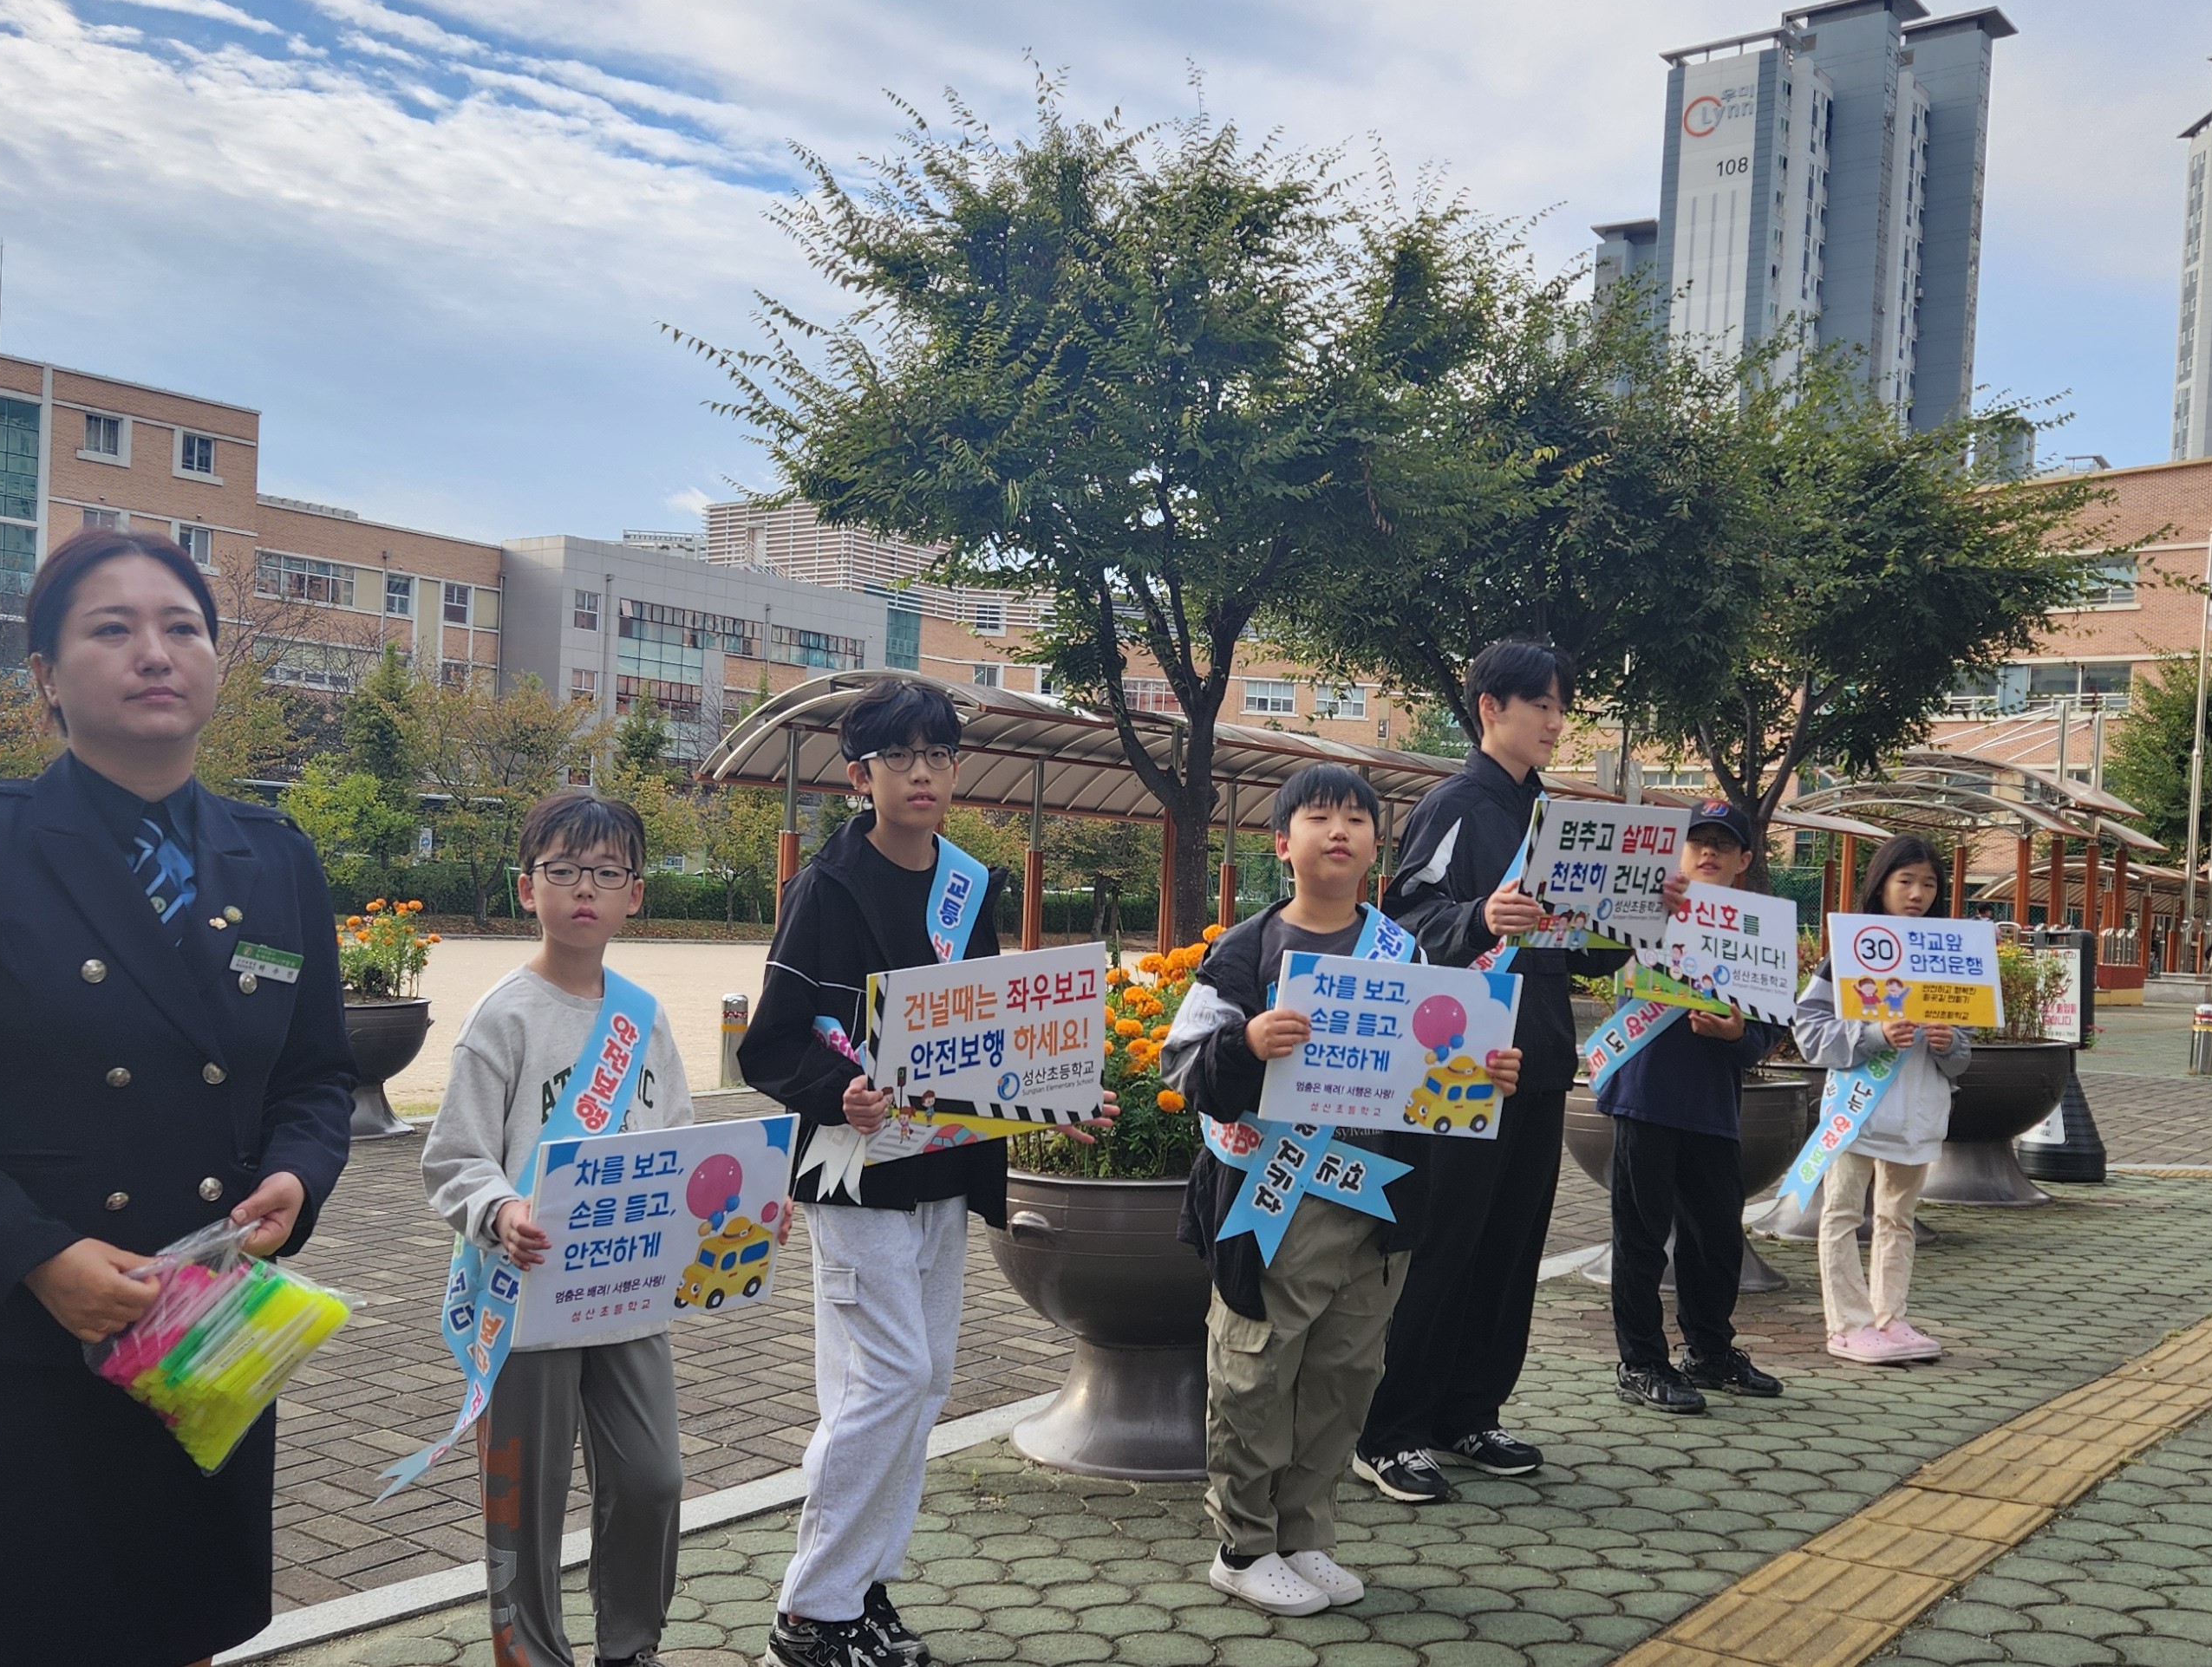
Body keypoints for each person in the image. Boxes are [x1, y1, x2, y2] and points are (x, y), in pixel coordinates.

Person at [0, 526, 354, 1667]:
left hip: (199, 1337)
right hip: (18, 1349)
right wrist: (40, 1254)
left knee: (178, 1627)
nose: (153, 652)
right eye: (111, 629)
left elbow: (318, 1073)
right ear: (44, 675)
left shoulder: (274, 858)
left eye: (180, 627)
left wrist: (296, 1174)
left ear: (216, 665)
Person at [741, 678, 1109, 1667]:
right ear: (859, 775)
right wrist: (837, 1091)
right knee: (892, 1377)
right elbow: (769, 1046)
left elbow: (985, 1036)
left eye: (938, 756)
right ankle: (811, 1612)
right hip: (856, 1169)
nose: (922, 774)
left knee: (920, 1379)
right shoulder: (825, 888)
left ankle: (863, 1588)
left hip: (942, 1166)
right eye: (899, 757)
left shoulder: (966, 883)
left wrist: (1055, 1097)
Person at [1164, 765, 1524, 1614]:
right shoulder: (1246, 950)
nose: (1339, 831)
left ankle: (1305, 1533)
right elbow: (1184, 1066)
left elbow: (1437, 1078)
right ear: (1280, 843)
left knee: (1345, 1374)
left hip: (1376, 1203)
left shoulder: (1411, 956)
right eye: (1318, 817)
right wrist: (1248, 1042)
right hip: (1270, 1200)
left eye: (1357, 820)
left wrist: (1487, 1073)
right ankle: (1242, 1545)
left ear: (1377, 848)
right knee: (1255, 1371)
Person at [1354, 639, 1654, 1504]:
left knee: (1512, 1245)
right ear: (1492, 709)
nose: (1558, 723)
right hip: (1460, 1060)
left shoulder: (1555, 817)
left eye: (1563, 707)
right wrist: (1481, 916)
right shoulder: (1456, 806)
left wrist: (1634, 918)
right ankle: (1390, 1430)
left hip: (1541, 1056)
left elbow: (1581, 947)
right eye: (1545, 707)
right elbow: (1408, 917)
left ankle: (1469, 1411)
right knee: (1443, 1243)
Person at [421, 792, 694, 1667]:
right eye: (563, 871)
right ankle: (530, 1653)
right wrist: (499, 1210)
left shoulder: (646, 1018)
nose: (585, 890)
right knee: (525, 1497)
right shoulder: (503, 1017)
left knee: (652, 1480)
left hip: (627, 1293)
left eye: (606, 873)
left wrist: (744, 1207)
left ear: (635, 896)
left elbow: (683, 1149)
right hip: (526, 1294)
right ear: (525, 886)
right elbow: (455, 1157)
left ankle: (630, 1647)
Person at [1600, 800, 1785, 1414]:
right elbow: (1602, 965)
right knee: (1640, 1239)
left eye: (1721, 844)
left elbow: (1763, 1035)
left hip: (1711, 1108)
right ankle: (1640, 1361)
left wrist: (1736, 1036)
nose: (1707, 851)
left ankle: (1707, 1349)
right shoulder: (1643, 911)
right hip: (1645, 1097)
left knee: (1715, 1242)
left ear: (1744, 861)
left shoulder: (1758, 933)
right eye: (1696, 841)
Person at [1791, 834, 1971, 1367]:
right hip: (1858, 1106)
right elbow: (1810, 1031)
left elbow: (1964, 1052)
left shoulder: (1949, 955)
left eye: (1929, 884)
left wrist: (1949, 1045)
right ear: (1882, 884)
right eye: (1905, 881)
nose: (1917, 894)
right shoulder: (1848, 952)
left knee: (1899, 1216)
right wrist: (1872, 1033)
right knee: (1843, 1211)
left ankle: (1890, 1318)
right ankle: (1847, 1324)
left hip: (1918, 1113)